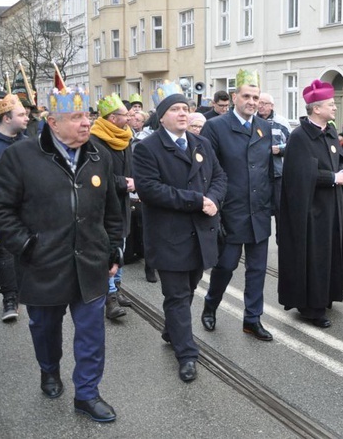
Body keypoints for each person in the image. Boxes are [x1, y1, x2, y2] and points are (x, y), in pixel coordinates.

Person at [0, 89, 123, 422]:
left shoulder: (99, 155)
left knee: (92, 333)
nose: (87, 124)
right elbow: (2, 209)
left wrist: (114, 248)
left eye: (89, 117)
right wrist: (26, 245)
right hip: (42, 264)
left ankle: (87, 393)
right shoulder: (20, 156)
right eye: (77, 118)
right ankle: (49, 369)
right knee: (44, 327)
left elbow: (112, 210)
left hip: (90, 262)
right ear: (52, 122)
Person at [133, 84, 227, 382]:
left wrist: (213, 198)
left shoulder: (201, 143)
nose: (183, 113)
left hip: (201, 233)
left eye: (186, 108)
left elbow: (220, 176)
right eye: (175, 109)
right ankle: (187, 354)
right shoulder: (148, 148)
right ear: (161, 117)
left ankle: (171, 329)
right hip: (169, 235)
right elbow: (149, 190)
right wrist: (197, 201)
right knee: (176, 295)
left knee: (188, 289)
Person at [200, 70, 274, 341]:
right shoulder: (216, 127)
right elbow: (208, 173)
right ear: (234, 97)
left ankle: (252, 319)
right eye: (246, 96)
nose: (252, 101)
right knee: (226, 266)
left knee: (257, 270)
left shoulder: (264, 127)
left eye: (256, 97)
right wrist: (214, 209)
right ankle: (211, 304)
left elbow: (267, 170)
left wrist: (271, 204)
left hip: (259, 211)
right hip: (230, 212)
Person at [277, 79, 343, 328]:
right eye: (331, 104)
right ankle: (311, 307)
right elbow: (300, 175)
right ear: (316, 108)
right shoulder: (300, 136)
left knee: (330, 253)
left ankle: (327, 296)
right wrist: (333, 178)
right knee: (314, 256)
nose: (335, 108)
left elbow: (340, 159)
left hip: (332, 207)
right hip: (311, 211)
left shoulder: (330, 131)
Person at [90, 94, 135, 320]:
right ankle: (109, 297)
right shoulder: (95, 140)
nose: (129, 118)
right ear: (112, 118)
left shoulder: (125, 138)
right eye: (124, 115)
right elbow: (97, 175)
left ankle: (117, 288)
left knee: (121, 244)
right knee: (109, 248)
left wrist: (133, 180)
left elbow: (129, 167)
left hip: (123, 201)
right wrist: (123, 182)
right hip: (105, 203)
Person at [0, 93, 28, 322]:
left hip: (23, 208)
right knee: (3, 252)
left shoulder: (28, 143)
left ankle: (17, 294)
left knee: (16, 251)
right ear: (6, 118)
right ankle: (10, 297)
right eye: (21, 114)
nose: (26, 117)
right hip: (0, 206)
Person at [257, 92, 292, 237]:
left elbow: (292, 144)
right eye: (259, 103)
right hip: (258, 173)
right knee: (260, 208)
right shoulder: (253, 121)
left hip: (277, 173)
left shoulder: (281, 122)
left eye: (264, 103)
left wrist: (280, 149)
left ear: (271, 106)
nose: (260, 106)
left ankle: (281, 241)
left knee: (280, 208)